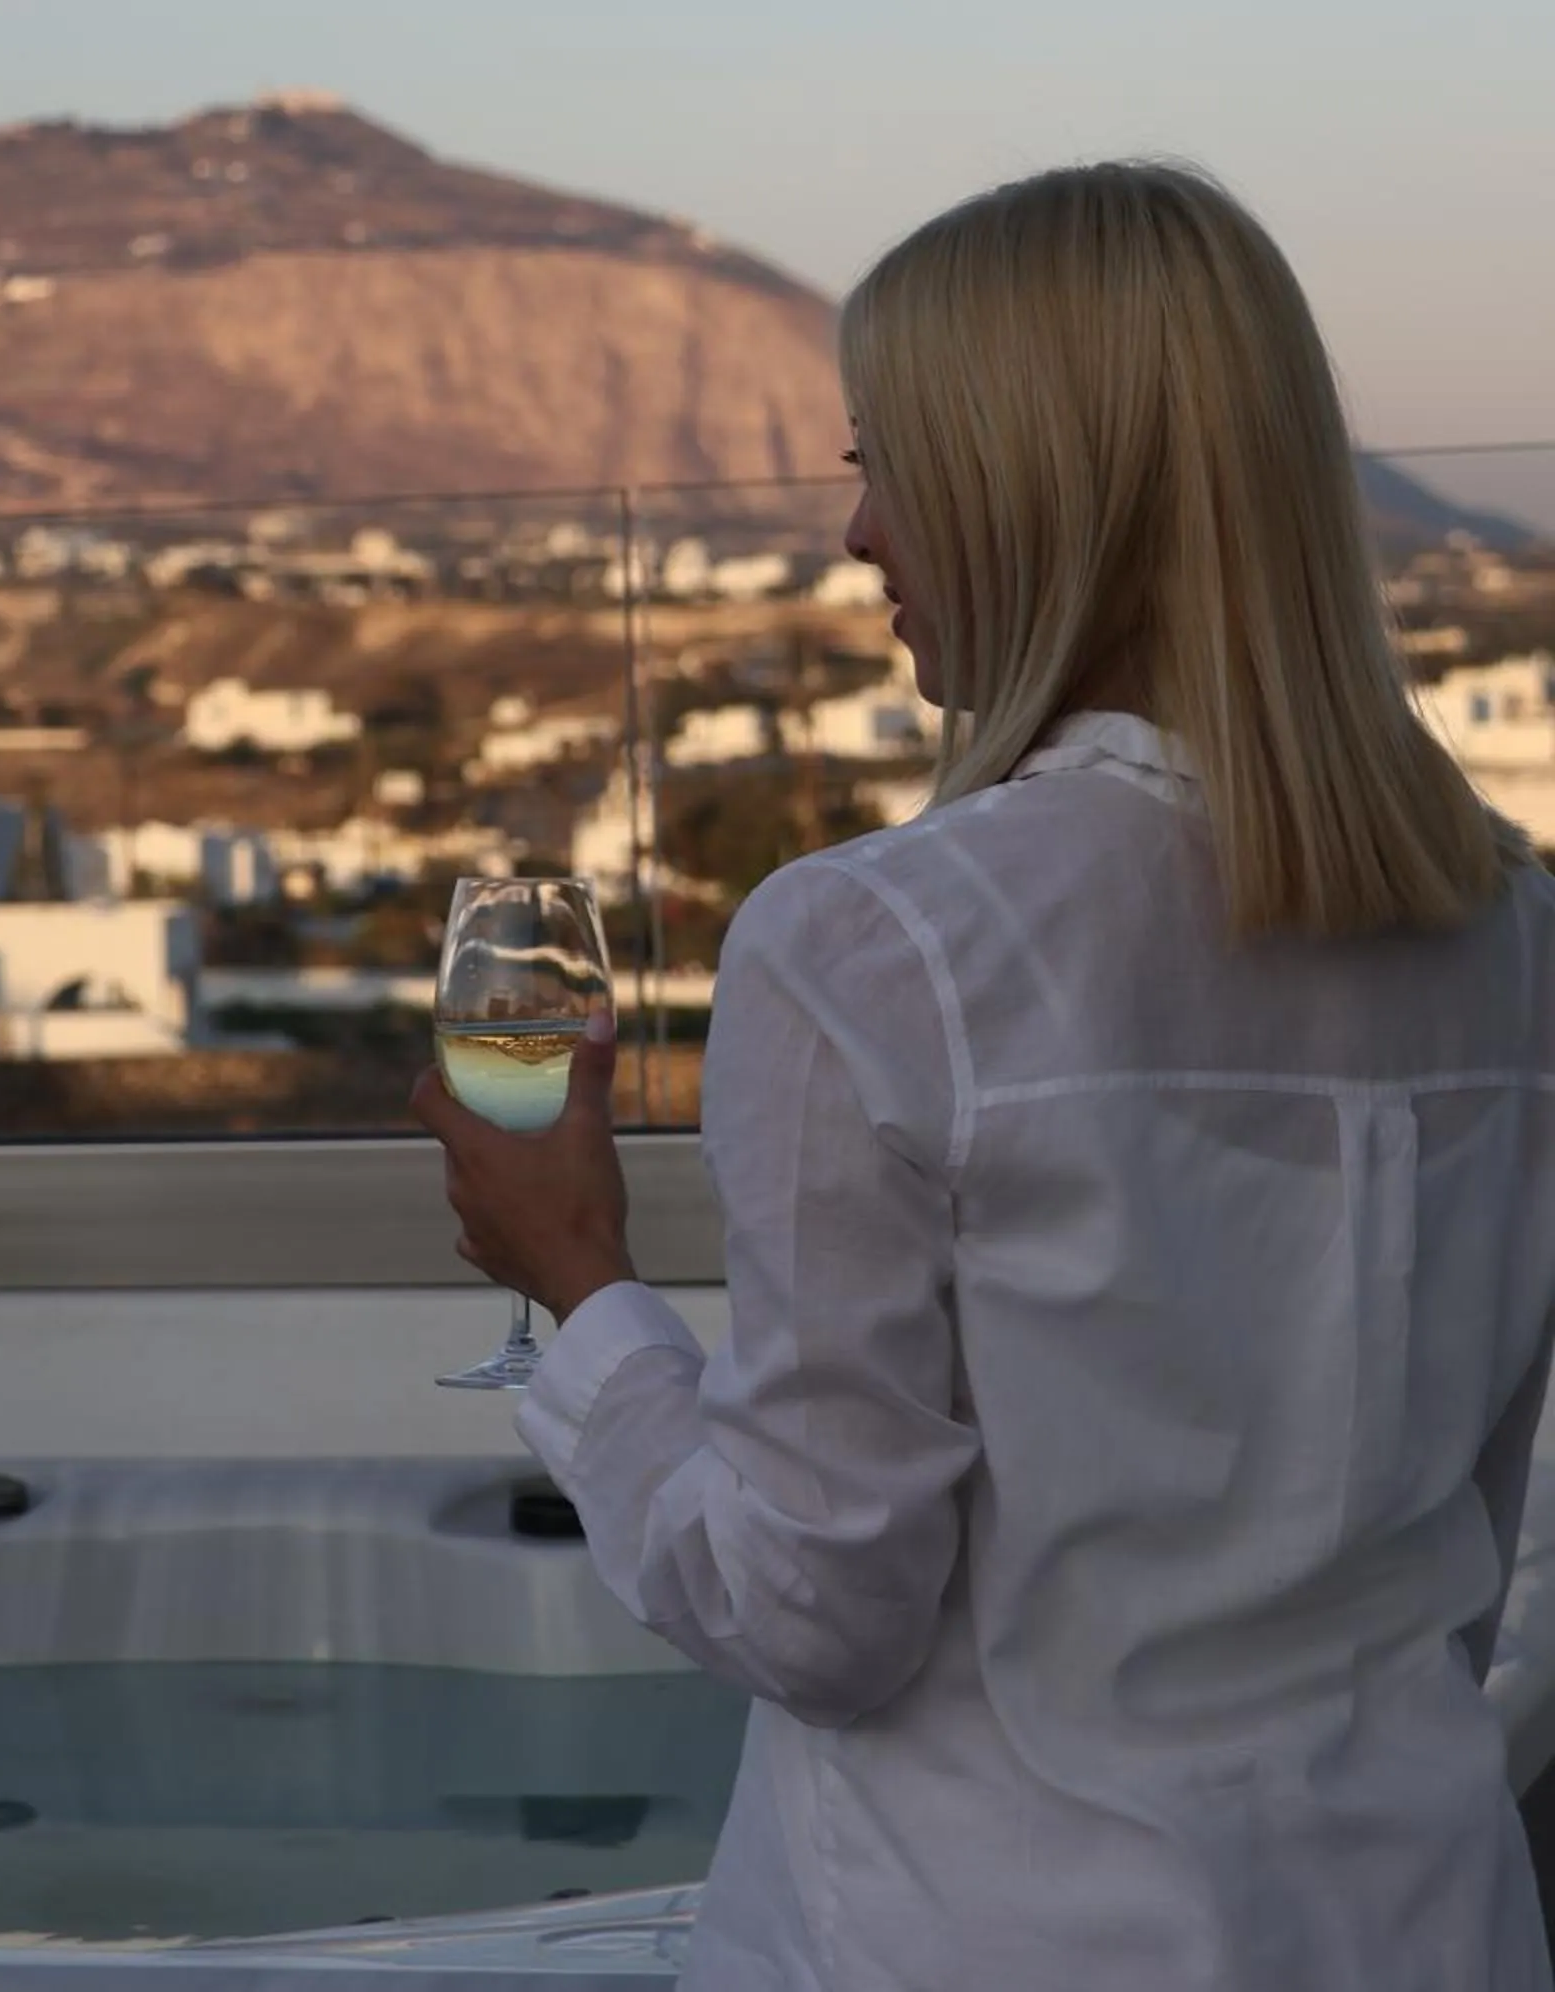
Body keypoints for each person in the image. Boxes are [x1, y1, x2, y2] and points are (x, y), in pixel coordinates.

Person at [414, 159, 1555, 1991]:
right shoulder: (1511, 930)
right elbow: (1456, 1551)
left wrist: (579, 1284)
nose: (858, 532)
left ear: (1037, 485)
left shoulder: (885, 946)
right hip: (1422, 1919)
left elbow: (814, 1613)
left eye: (885, 458)